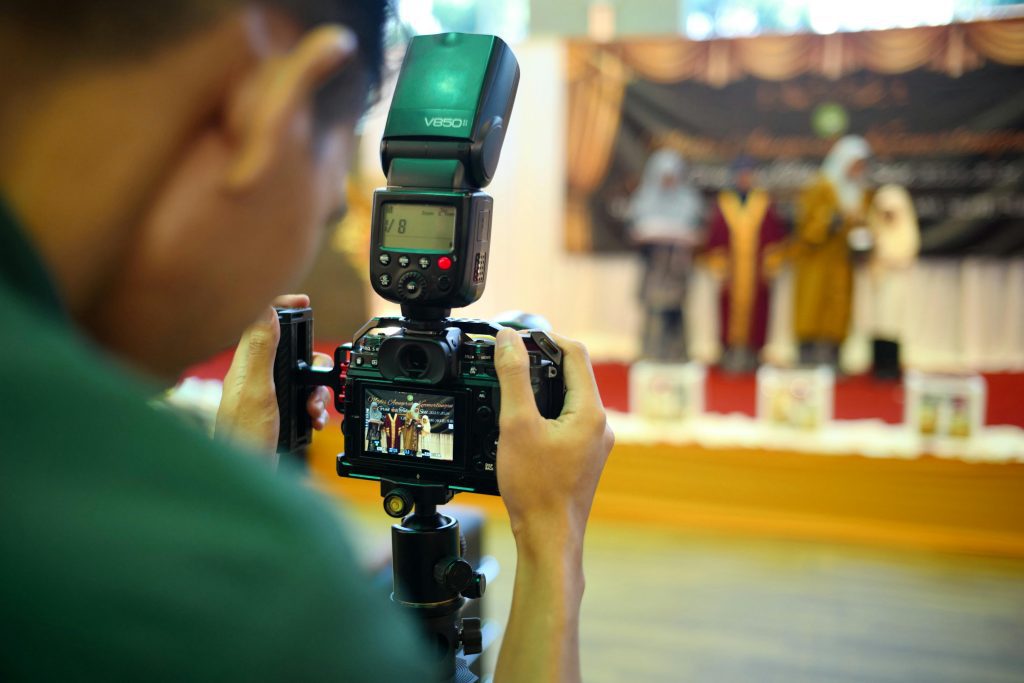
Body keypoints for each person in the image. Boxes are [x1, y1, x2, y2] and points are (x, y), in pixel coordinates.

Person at [0, 3, 615, 682]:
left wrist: (228, 479)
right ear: (273, 104)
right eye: (330, 213)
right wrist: (552, 532)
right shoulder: (274, 600)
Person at [792, 135, 873, 369]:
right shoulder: (819, 187)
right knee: (812, 306)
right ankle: (807, 358)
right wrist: (829, 221)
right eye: (855, 164)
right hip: (816, 261)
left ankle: (833, 357)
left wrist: (862, 234)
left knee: (838, 310)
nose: (858, 170)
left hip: (842, 261)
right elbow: (804, 227)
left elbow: (864, 224)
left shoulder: (861, 192)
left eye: (862, 165)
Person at [704, 156, 787, 373]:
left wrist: (772, 261)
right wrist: (719, 263)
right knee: (728, 310)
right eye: (741, 175)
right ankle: (730, 352)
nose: (745, 179)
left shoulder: (763, 202)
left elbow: (773, 235)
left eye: (748, 175)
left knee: (759, 311)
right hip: (732, 272)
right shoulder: (724, 203)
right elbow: (716, 236)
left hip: (756, 272)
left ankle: (753, 355)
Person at [628, 147, 705, 361]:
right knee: (653, 313)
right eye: (664, 177)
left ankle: (678, 358)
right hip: (653, 267)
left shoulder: (689, 200)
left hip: (678, 269)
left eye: (672, 177)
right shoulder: (644, 198)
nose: (668, 182)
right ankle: (650, 356)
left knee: (676, 314)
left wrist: (685, 237)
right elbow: (635, 231)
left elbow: (698, 233)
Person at [863, 184, 920, 379]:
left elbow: (904, 255)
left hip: (896, 283)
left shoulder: (905, 229)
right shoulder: (876, 229)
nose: (886, 216)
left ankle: (891, 367)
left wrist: (884, 254)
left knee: (893, 324)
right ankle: (878, 366)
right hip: (877, 283)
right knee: (877, 323)